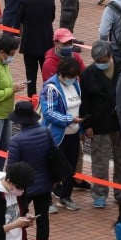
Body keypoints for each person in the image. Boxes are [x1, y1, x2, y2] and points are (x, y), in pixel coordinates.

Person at [6, 101, 55, 240]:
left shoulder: (16, 140)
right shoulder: (46, 132)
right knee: (43, 218)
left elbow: (11, 168)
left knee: (19, 219)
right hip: (44, 183)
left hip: (24, 187)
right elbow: (52, 156)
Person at [80, 42, 121, 207]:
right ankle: (99, 194)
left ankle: (120, 191)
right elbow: (85, 102)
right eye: (97, 60)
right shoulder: (88, 74)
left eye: (103, 59)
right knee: (99, 161)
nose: (101, 62)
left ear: (110, 56)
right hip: (99, 124)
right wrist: (87, 124)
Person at [40, 56, 84, 211]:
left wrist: (80, 127)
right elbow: (49, 113)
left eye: (74, 76)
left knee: (70, 167)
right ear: (61, 74)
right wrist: (69, 119)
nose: (72, 79)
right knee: (52, 167)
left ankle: (65, 197)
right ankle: (47, 200)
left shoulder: (76, 83)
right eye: (70, 76)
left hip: (73, 134)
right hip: (57, 136)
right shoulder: (50, 87)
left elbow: (79, 105)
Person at [17, 0, 55, 96]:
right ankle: (48, 99)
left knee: (30, 76)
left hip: (29, 44)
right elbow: (52, 18)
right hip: (46, 43)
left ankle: (31, 101)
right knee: (48, 76)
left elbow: (20, 19)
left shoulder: (24, 2)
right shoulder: (50, 1)